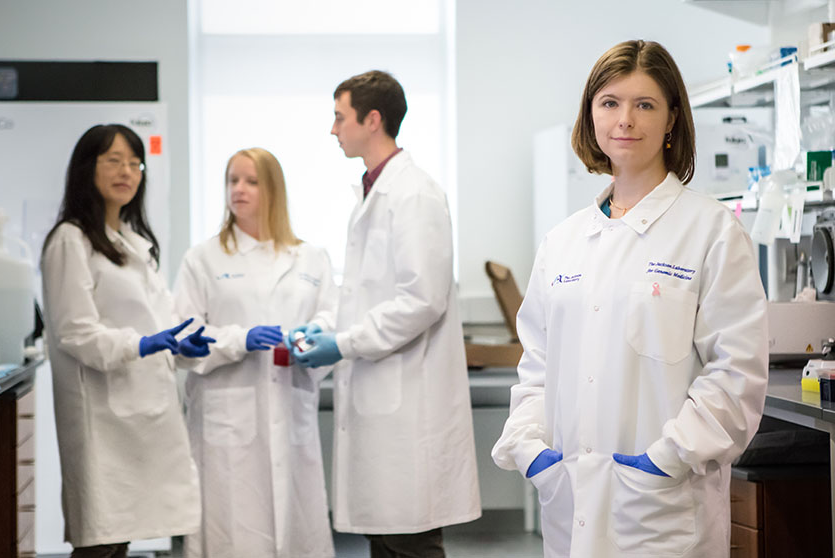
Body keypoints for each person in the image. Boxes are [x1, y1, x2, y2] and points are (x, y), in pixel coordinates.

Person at [492, 40, 769, 558]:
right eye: (610, 103)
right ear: (591, 115)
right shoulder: (563, 241)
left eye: (645, 105)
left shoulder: (710, 231)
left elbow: (736, 373)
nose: (626, 120)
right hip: (569, 498)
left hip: (661, 508)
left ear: (671, 121)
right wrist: (532, 450)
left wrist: (668, 458)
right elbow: (537, 368)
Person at [291, 70, 481, 558]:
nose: (333, 130)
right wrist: (327, 326)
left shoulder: (414, 193)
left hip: (407, 407)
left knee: (408, 541)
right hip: (381, 399)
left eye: (340, 117)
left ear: (372, 120)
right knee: (388, 538)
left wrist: (346, 343)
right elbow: (363, 293)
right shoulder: (372, 192)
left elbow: (423, 299)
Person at [41, 124, 214, 558]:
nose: (127, 171)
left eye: (135, 163)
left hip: (142, 417)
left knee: (119, 542)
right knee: (101, 542)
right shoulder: (71, 240)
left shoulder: (134, 244)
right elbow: (76, 333)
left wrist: (179, 346)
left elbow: (161, 319)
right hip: (103, 420)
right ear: (87, 168)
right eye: (113, 160)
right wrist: (143, 344)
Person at [171, 147, 338, 558]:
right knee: (234, 532)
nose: (238, 190)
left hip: (291, 406)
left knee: (296, 525)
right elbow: (183, 336)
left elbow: (333, 318)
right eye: (232, 180)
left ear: (273, 189)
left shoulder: (311, 258)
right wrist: (238, 340)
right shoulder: (204, 258)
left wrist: (313, 334)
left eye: (251, 181)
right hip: (227, 422)